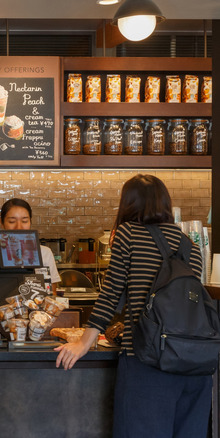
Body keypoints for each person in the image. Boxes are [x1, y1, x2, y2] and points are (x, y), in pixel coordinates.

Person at [55, 174, 209, 437]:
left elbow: (110, 294)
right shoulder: (190, 245)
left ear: (128, 203)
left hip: (147, 362)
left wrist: (83, 343)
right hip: (194, 367)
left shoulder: (127, 234)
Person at [0, 198, 60, 284]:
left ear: (30, 222)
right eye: (12, 221)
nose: (19, 227)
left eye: (24, 221)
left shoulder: (44, 252)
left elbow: (52, 289)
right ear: (2, 223)